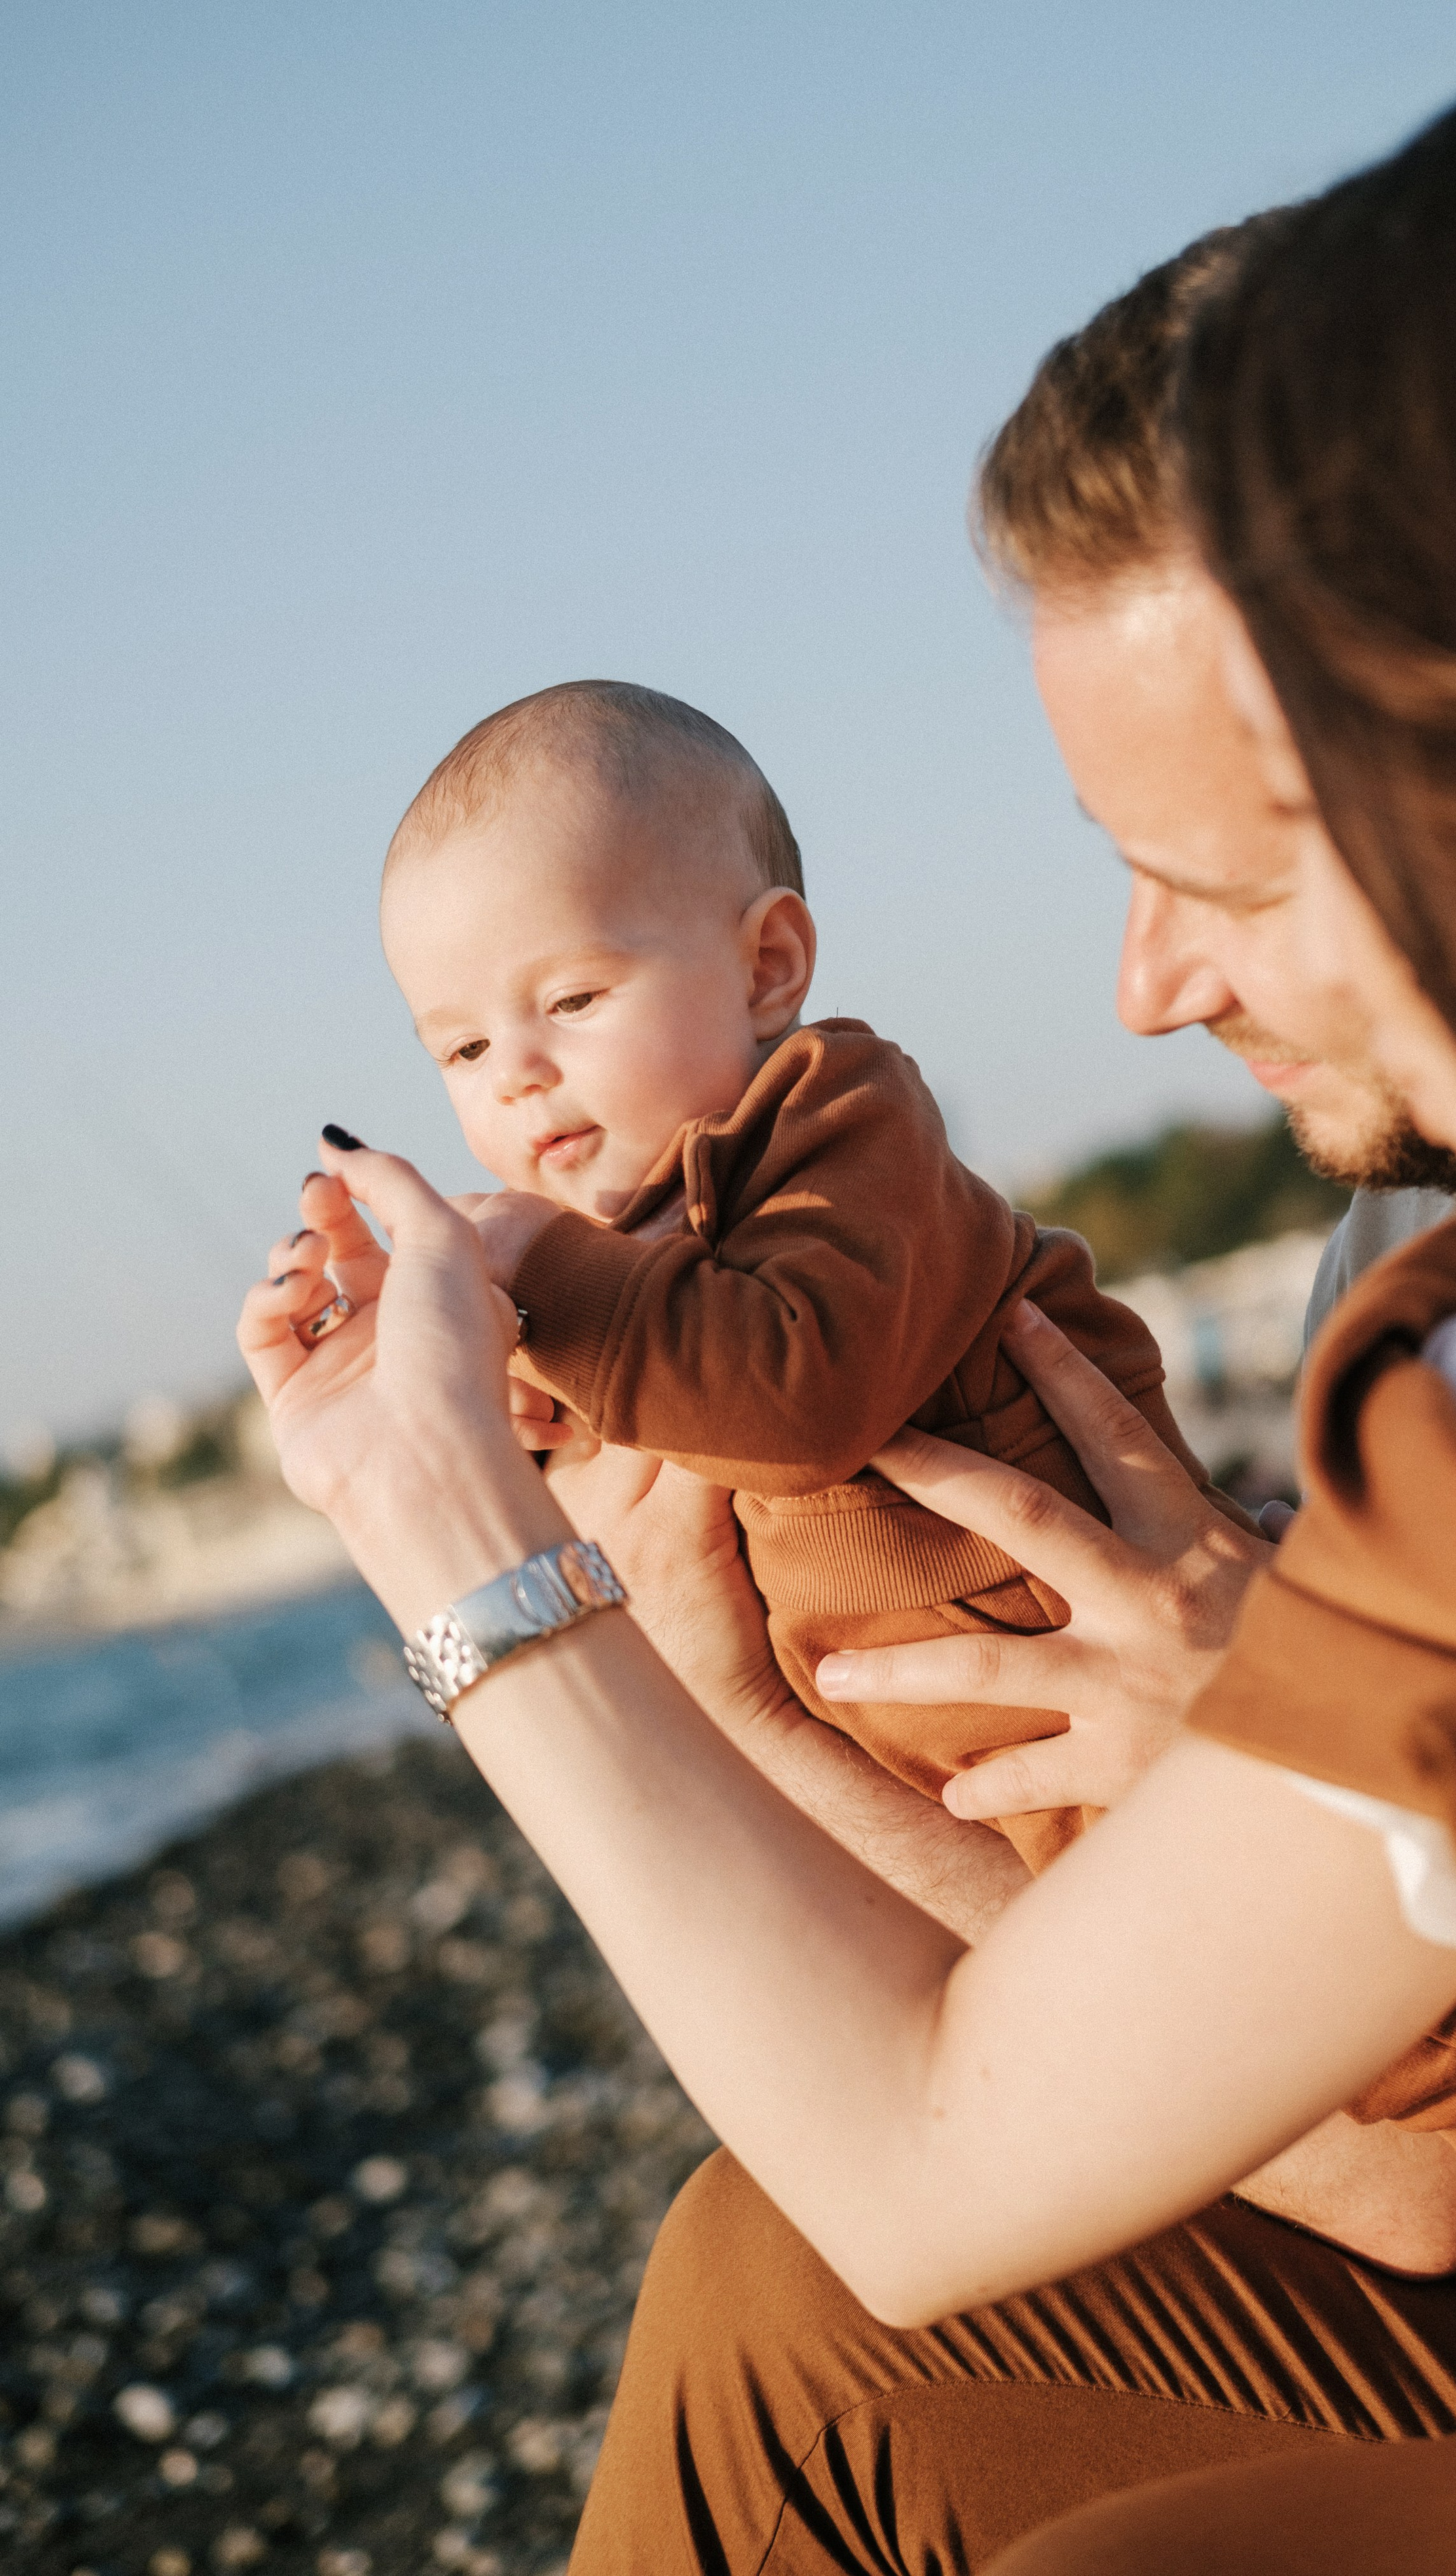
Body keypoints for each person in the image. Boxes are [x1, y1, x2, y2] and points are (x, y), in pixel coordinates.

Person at [237, 0, 1456, 2569]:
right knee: (765, 2267)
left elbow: (968, 2143)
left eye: (1237, 875)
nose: (1148, 984)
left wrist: (474, 1553)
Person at [378, 677, 1260, 1873]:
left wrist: (543, 1277)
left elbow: (789, 1399)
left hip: (1127, 1696)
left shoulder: (833, 1120)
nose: (517, 1075)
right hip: (968, 1795)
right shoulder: (603, 1252)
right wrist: (524, 1401)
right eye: (465, 1047)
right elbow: (629, 1518)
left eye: (573, 999)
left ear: (767, 966)